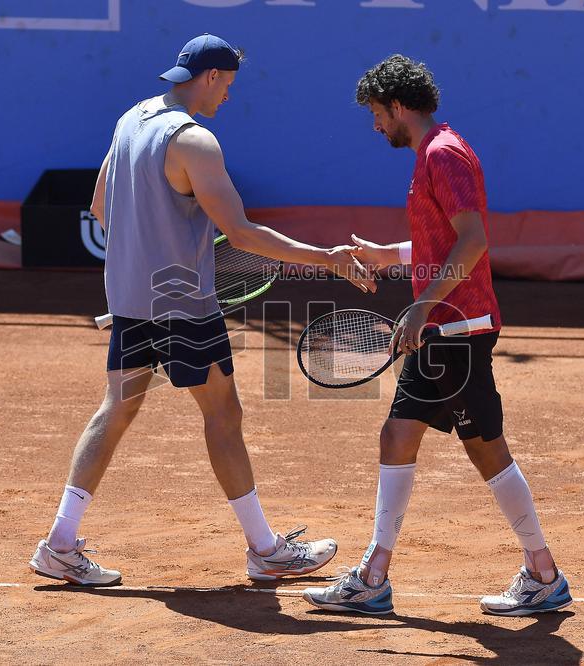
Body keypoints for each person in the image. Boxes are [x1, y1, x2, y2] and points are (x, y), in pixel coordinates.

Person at [29, 34, 375, 586]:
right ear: (211, 77)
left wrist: (141, 263)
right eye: (228, 85)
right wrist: (326, 260)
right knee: (223, 416)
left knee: (115, 410)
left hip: (130, 301)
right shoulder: (196, 141)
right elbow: (239, 232)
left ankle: (59, 543)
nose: (229, 97)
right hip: (185, 309)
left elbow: (99, 207)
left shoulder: (131, 119)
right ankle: (265, 550)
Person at [302, 55, 572, 616]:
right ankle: (374, 576)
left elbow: (472, 241)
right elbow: (441, 244)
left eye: (377, 114)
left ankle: (543, 573)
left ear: (398, 106)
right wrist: (389, 255)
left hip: (457, 328)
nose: (375, 126)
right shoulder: (432, 153)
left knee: (485, 449)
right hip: (441, 329)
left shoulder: (443, 154)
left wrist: (422, 306)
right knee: (397, 436)